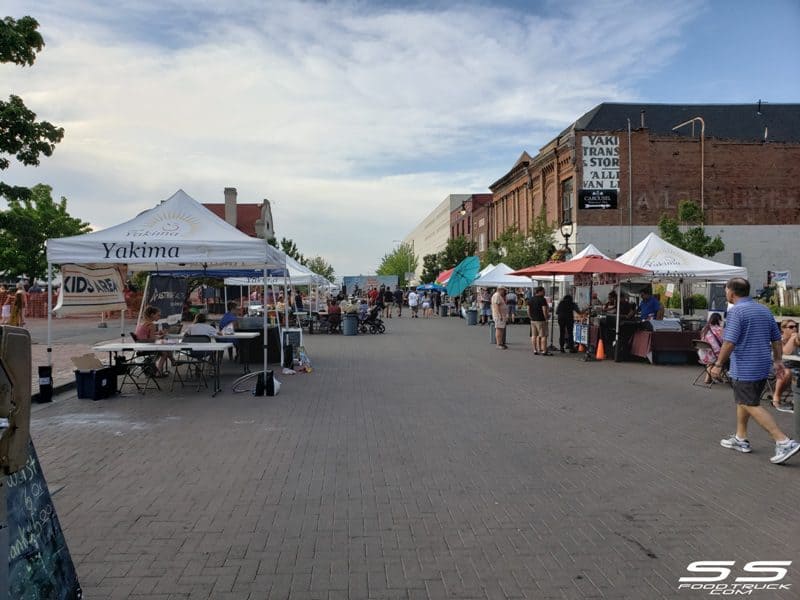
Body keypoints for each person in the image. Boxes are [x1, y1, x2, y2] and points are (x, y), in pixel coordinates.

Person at [709, 277, 800, 465]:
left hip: (745, 367)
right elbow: (776, 339)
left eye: (726, 290)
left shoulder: (736, 312)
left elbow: (729, 341)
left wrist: (718, 365)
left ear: (731, 292)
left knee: (749, 403)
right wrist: (777, 361)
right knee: (745, 401)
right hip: (761, 364)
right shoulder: (764, 309)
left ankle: (783, 441)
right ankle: (740, 438)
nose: (726, 293)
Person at [135, 306, 172, 377]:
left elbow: (146, 334)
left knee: (165, 346)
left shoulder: (143, 323)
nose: (159, 317)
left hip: (140, 347)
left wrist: (157, 333)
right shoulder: (151, 325)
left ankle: (172, 361)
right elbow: (152, 339)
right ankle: (159, 372)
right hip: (146, 347)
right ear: (152, 315)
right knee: (165, 351)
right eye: (158, 315)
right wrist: (162, 336)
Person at [772, 319, 799, 412]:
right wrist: (792, 339)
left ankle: (796, 400)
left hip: (795, 366)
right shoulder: (779, 339)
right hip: (778, 366)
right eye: (791, 327)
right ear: (783, 329)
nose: (794, 329)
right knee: (786, 372)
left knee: (794, 372)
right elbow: (786, 352)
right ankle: (776, 397)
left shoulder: (797, 339)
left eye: (796, 326)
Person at [697, 313, 724, 383]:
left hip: (703, 355)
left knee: (711, 356)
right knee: (724, 356)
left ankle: (708, 378)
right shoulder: (720, 329)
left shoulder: (704, 329)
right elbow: (724, 342)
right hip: (714, 356)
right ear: (719, 320)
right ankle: (717, 375)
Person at [528, 286, 551, 356]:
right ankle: (544, 351)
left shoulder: (531, 299)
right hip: (541, 320)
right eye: (543, 291)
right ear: (540, 292)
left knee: (534, 335)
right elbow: (544, 310)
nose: (544, 293)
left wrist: (530, 317)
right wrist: (546, 317)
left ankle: (535, 350)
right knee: (543, 335)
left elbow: (528, 310)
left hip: (533, 320)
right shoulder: (542, 299)